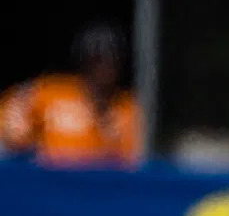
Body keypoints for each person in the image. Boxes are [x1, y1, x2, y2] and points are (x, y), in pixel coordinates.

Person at [0, 25, 144, 167]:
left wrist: (106, 129)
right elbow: (10, 125)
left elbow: (131, 163)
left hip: (97, 185)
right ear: (83, 62)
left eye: (113, 61)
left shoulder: (127, 108)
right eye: (97, 60)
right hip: (50, 181)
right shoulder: (51, 93)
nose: (105, 69)